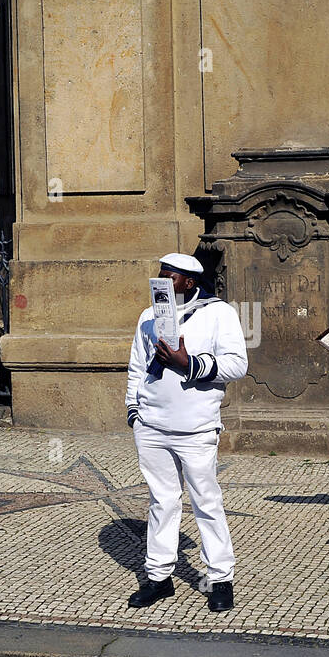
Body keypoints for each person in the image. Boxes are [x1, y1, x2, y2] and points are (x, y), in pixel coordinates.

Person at [125, 252, 248, 612]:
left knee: (206, 502)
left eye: (170, 276)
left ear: (189, 282)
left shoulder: (218, 313)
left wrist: (188, 362)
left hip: (195, 428)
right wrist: (135, 412)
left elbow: (237, 364)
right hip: (151, 427)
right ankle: (159, 578)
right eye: (159, 275)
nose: (161, 281)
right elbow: (135, 366)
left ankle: (220, 578)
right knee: (161, 502)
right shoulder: (148, 317)